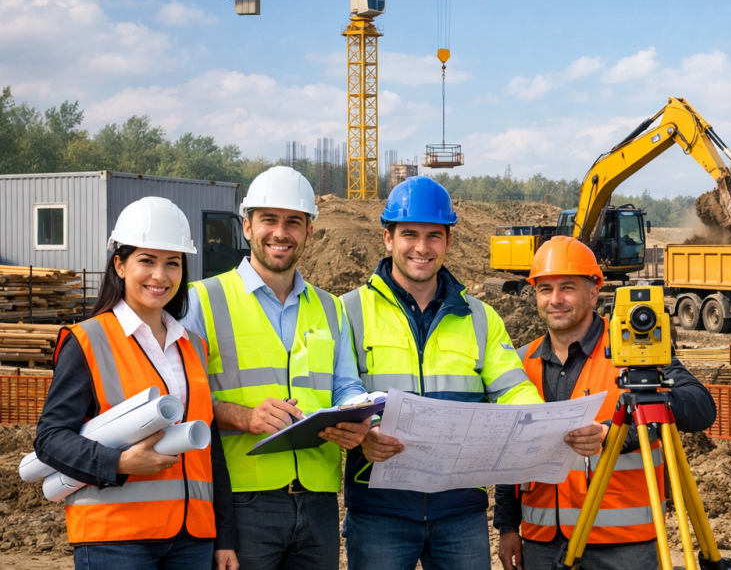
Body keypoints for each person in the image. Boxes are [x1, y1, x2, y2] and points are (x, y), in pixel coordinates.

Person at [339, 177, 605, 570]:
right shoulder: (348, 311)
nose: (422, 247)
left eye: (434, 236)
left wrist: (549, 426)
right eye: (409, 234)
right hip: (380, 510)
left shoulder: (481, 318)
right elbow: (340, 392)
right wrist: (364, 432)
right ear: (387, 238)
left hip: (459, 512)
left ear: (448, 242)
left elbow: (513, 390)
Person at [181, 166, 370, 570]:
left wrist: (357, 417)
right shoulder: (203, 301)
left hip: (319, 501)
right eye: (269, 220)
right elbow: (181, 399)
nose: (280, 233)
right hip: (243, 499)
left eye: (293, 223)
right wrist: (245, 416)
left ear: (310, 233)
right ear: (247, 226)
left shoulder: (331, 308)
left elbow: (346, 386)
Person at [34, 197, 238, 569]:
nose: (160, 276)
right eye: (147, 260)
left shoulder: (193, 346)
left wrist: (224, 537)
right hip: (116, 540)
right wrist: (120, 462)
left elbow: (211, 451)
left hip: (192, 539)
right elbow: (50, 439)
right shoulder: (88, 340)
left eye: (172, 263)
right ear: (120, 264)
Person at [493, 236, 717, 570]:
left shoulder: (636, 353)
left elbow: (700, 407)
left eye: (567, 287)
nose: (555, 300)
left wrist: (621, 430)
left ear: (594, 292)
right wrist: (509, 527)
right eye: (545, 289)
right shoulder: (521, 361)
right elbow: (510, 454)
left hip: (622, 543)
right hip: (542, 541)